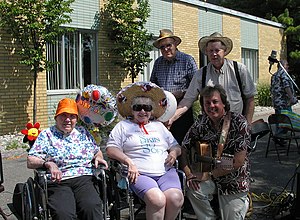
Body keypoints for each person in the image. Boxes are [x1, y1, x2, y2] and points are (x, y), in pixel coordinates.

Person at [106, 82, 184, 220]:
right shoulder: (123, 126)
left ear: (152, 110)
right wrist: (128, 161)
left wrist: (173, 153)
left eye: (146, 107)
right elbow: (111, 149)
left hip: (166, 171)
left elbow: (176, 146)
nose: (142, 111)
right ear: (132, 110)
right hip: (139, 173)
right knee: (157, 200)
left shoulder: (159, 126)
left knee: (176, 198)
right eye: (138, 107)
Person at [27, 98, 108, 220]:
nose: (68, 120)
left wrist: (99, 157)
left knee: (91, 206)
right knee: (64, 213)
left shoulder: (82, 132)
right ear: (56, 117)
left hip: (83, 179)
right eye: (63, 115)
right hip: (58, 181)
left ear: (77, 119)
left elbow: (97, 151)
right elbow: (31, 160)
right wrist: (48, 164)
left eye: (72, 116)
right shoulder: (47, 134)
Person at [180, 85, 251, 220]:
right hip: (210, 177)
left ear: (223, 103)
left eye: (215, 102)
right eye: (207, 103)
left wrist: (209, 175)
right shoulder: (201, 123)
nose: (211, 106)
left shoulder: (239, 122)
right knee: (193, 189)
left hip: (234, 181)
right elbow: (183, 148)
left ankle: (243, 202)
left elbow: (238, 162)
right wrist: (189, 174)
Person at [168, 32, 256, 127]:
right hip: (211, 128)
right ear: (206, 52)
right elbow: (187, 100)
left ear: (224, 51)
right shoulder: (201, 74)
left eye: (217, 50)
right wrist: (171, 118)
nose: (214, 54)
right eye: (210, 51)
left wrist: (247, 125)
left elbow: (250, 98)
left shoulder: (239, 69)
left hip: (236, 126)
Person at [150, 29, 198, 143]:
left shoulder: (187, 60)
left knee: (183, 146)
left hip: (182, 110)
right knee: (163, 144)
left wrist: (181, 93)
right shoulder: (158, 63)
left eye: (168, 45)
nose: (166, 49)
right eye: (162, 47)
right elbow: (152, 87)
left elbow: (197, 88)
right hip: (162, 110)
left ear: (175, 44)